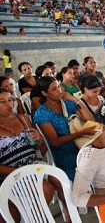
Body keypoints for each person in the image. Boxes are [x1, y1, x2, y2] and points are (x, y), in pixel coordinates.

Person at [0, 87, 71, 223]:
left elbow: (39, 149)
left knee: (59, 179)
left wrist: (39, 140)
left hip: (32, 165)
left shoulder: (23, 119)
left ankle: (68, 215)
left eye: (10, 100)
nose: (9, 105)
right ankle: (35, 218)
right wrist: (20, 172)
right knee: (45, 189)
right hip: (9, 173)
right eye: (2, 102)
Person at [33, 76, 95, 181]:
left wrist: (76, 100)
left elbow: (89, 119)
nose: (59, 91)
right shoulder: (42, 113)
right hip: (64, 153)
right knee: (86, 172)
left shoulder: (67, 103)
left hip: (81, 144)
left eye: (59, 87)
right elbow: (56, 142)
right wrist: (81, 132)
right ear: (44, 93)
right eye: (54, 89)